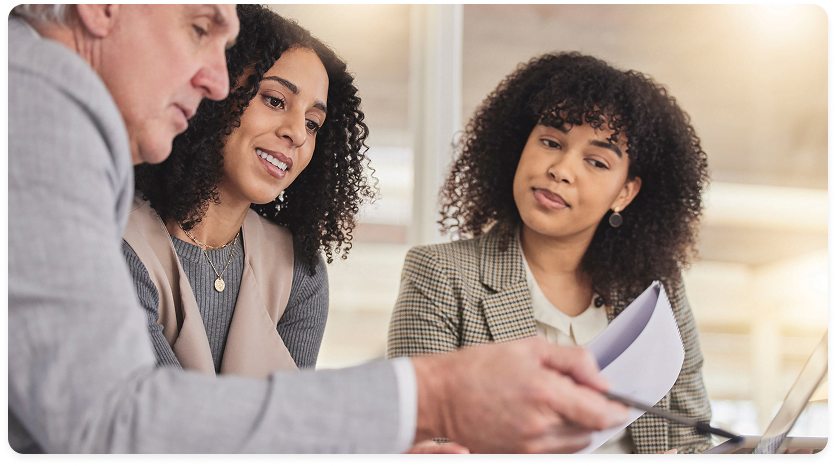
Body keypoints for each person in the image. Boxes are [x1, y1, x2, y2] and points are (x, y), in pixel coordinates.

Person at [8, 5, 629, 454]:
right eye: (198, 29)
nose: (214, 79)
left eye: (314, 121)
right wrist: (429, 399)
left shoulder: (298, 270)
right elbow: (119, 423)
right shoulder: (51, 110)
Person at [388, 51, 713, 454]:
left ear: (625, 193)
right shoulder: (438, 275)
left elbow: (694, 439)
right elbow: (424, 438)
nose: (561, 169)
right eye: (549, 142)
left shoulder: (657, 293)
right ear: (517, 147)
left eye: (595, 161)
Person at [123, 5, 372, 377]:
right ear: (215, 93)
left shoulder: (299, 271)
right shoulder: (118, 239)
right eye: (275, 101)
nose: (297, 133)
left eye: (313, 123)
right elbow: (160, 420)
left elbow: (290, 423)